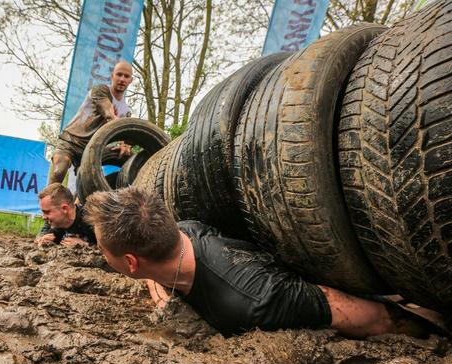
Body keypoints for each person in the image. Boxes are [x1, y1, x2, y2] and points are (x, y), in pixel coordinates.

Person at [83, 187, 444, 338]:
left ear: (130, 262)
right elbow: (156, 271)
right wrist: (163, 295)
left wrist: (432, 332)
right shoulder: (180, 232)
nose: (101, 254)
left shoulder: (252, 302)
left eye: (103, 250)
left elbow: (368, 315)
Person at [49, 60, 135, 184]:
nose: (122, 79)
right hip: (71, 140)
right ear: (112, 76)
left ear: (130, 80)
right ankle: (46, 199)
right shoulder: (100, 90)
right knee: (59, 171)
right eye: (119, 74)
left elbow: (126, 138)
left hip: (91, 149)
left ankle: (77, 202)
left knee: (87, 186)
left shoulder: (126, 111)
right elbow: (109, 116)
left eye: (126, 76)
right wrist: (125, 131)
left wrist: (126, 145)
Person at [35, 183, 96, 247]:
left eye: (47, 212)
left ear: (64, 209)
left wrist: (85, 245)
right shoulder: (56, 223)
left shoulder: (91, 220)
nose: (43, 217)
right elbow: (40, 237)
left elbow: (107, 247)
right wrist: (44, 239)